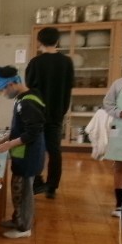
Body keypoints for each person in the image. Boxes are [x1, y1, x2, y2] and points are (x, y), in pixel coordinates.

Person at [0, 66, 45, 239]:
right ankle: (17, 219)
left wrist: (9, 145)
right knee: (17, 189)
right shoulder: (22, 99)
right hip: (22, 154)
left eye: (3, 90)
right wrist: (2, 140)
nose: (3, 94)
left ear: (11, 84)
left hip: (29, 155)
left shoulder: (28, 102)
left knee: (25, 192)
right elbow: (17, 129)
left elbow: (32, 132)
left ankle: (24, 228)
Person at [25, 27, 74, 199]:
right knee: (54, 150)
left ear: (39, 41)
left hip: (37, 113)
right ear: (57, 41)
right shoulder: (67, 62)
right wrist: (62, 110)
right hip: (56, 113)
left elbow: (29, 87)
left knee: (35, 148)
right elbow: (69, 87)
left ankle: (36, 182)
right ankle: (52, 187)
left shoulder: (35, 62)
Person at [102, 75, 122, 217]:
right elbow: (108, 104)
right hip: (121, 128)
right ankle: (119, 205)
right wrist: (120, 113)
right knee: (119, 167)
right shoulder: (119, 84)